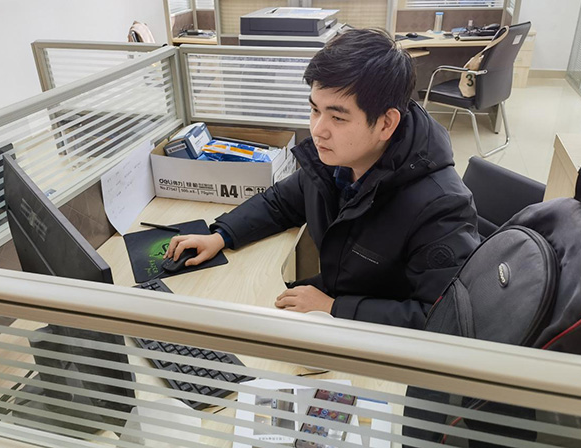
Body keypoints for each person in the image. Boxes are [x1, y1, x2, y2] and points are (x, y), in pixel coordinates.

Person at [165, 28, 479, 329]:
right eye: (315, 110)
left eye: (337, 117)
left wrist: (333, 308)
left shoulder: (441, 206)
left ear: (386, 123)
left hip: (372, 337)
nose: (317, 130)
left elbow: (440, 319)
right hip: (337, 299)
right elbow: (281, 202)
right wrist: (221, 235)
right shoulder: (337, 160)